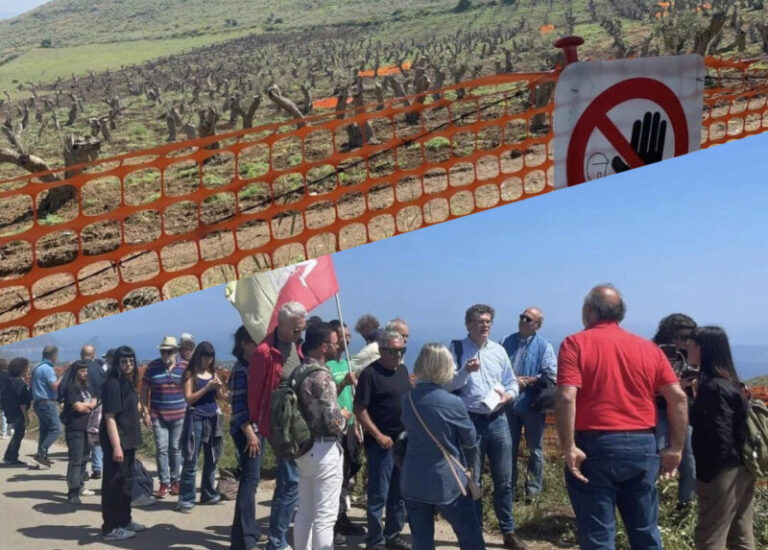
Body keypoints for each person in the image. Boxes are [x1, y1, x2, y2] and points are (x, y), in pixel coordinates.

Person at [554, 284, 688, 550]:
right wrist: (676, 447)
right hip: (643, 445)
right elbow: (678, 397)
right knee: (645, 531)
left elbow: (567, 396)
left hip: (596, 445)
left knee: (598, 536)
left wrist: (568, 446)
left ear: (589, 310)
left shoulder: (575, 344)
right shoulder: (647, 348)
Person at [444, 304, 523, 550]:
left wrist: (509, 396)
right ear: (468, 325)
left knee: (505, 479)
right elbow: (447, 385)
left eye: (488, 321)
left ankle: (508, 531)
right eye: (479, 321)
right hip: (470, 421)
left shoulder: (498, 351)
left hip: (498, 419)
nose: (485, 325)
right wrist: (465, 372)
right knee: (473, 481)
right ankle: (475, 531)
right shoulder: (456, 349)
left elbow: (512, 382)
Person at [401, 343, 485, 550]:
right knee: (470, 535)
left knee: (421, 540)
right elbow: (470, 440)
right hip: (447, 480)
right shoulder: (452, 403)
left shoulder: (407, 399)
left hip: (413, 478)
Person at [688, 326, 755, 550]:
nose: (688, 348)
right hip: (743, 468)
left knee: (710, 537)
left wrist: (707, 478)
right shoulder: (732, 384)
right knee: (740, 535)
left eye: (692, 344)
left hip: (722, 472)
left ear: (703, 349)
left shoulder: (713, 388)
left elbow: (719, 435)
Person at [247, 302, 306, 550]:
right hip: (278, 425)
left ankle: (278, 538)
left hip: (297, 422)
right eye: (295, 329)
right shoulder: (264, 353)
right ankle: (276, 541)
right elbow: (255, 394)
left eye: (301, 329)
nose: (299, 334)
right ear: (281, 324)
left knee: (293, 480)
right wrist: (258, 427)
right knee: (290, 480)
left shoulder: (297, 346)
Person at [354, 329, 412, 550]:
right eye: (393, 350)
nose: (398, 354)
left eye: (401, 350)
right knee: (379, 494)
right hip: (382, 444)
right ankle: (375, 540)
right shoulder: (370, 374)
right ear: (381, 350)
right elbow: (359, 409)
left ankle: (393, 534)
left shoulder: (403, 371)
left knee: (399, 493)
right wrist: (378, 435)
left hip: (403, 442)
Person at [293, 323, 348, 550]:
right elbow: (333, 422)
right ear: (324, 346)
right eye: (336, 342)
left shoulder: (298, 371)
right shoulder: (322, 377)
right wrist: (345, 416)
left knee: (304, 512)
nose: (339, 346)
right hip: (324, 449)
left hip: (303, 448)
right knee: (325, 518)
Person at [500, 307, 557, 503]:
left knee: (535, 450)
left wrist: (530, 380)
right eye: (522, 317)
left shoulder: (544, 346)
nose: (523, 321)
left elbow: (551, 373)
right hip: (508, 405)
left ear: (537, 325)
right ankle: (509, 490)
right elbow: (497, 367)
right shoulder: (506, 341)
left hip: (532, 405)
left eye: (528, 319)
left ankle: (532, 493)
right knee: (509, 449)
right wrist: (514, 380)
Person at [652, 313, 698, 511]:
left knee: (689, 462)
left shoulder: (690, 353)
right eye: (683, 336)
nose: (687, 341)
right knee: (656, 459)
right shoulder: (652, 351)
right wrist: (673, 386)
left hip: (682, 410)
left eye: (691, 337)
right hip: (658, 410)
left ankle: (685, 507)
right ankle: (648, 508)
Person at [100, 346, 147, 541]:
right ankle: (111, 527)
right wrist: (117, 446)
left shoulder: (127, 383)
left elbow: (131, 406)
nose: (128, 365)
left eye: (131, 361)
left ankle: (124, 520)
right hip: (117, 441)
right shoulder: (112, 384)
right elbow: (110, 417)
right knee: (114, 485)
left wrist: (144, 412)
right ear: (117, 363)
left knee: (126, 484)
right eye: (124, 361)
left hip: (129, 440)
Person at [327, 319, 366, 543]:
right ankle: (334, 521)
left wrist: (358, 423)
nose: (347, 339)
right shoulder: (329, 366)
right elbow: (327, 396)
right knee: (337, 474)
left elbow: (353, 398)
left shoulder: (347, 363)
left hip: (351, 424)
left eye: (349, 335)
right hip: (336, 426)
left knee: (351, 467)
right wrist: (343, 384)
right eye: (342, 336)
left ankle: (342, 516)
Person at [177, 341, 227, 512]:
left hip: (213, 417)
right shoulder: (190, 374)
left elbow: (220, 397)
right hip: (196, 417)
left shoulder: (213, 373)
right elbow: (189, 398)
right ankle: (186, 498)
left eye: (211, 357)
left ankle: (208, 493)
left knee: (212, 458)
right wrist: (206, 388)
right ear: (199, 356)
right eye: (206, 356)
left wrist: (219, 388)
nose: (208, 360)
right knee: (191, 458)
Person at [229, 326, 263, 550]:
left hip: (256, 429)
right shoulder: (241, 369)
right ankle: (246, 539)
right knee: (249, 482)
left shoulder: (252, 367)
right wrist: (250, 434)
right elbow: (238, 406)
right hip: (247, 431)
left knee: (250, 482)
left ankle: (242, 536)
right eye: (253, 342)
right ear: (243, 344)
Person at [140, 336, 187, 499]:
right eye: (163, 351)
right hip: (158, 414)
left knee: (175, 448)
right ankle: (164, 482)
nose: (165, 354)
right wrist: (145, 411)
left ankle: (176, 481)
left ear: (176, 352)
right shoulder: (153, 367)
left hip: (179, 414)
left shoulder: (184, 367)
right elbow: (144, 390)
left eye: (169, 351)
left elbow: (190, 388)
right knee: (161, 449)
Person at [63, 360, 98, 504]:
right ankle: (73, 492)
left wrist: (87, 405)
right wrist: (88, 405)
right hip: (75, 427)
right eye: (82, 371)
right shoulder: (72, 387)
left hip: (88, 427)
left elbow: (95, 402)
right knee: (76, 460)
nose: (85, 373)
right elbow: (78, 407)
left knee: (84, 458)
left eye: (86, 371)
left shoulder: (88, 386)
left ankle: (81, 486)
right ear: (75, 372)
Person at [30, 345, 63, 468]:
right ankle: (41, 453)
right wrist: (62, 378)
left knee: (44, 430)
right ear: (52, 355)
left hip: (38, 402)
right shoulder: (48, 369)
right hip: (48, 402)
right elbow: (54, 386)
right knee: (56, 429)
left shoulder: (36, 367)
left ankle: (42, 457)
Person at [82, 344, 108, 480]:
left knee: (83, 439)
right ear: (93, 355)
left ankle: (82, 469)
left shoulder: (76, 368)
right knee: (95, 436)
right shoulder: (99, 369)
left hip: (80, 408)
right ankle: (97, 468)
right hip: (97, 407)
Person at [2, 358, 32, 465]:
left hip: (11, 410)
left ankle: (9, 455)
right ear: (22, 369)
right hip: (18, 412)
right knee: (19, 434)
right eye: (27, 367)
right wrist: (26, 416)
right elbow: (22, 402)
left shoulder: (11, 380)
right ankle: (12, 457)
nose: (28, 369)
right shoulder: (19, 382)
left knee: (17, 434)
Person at [0, 358, 8, 440]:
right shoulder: (9, 374)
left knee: (3, 414)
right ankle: (7, 431)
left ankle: (4, 431)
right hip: (8, 396)